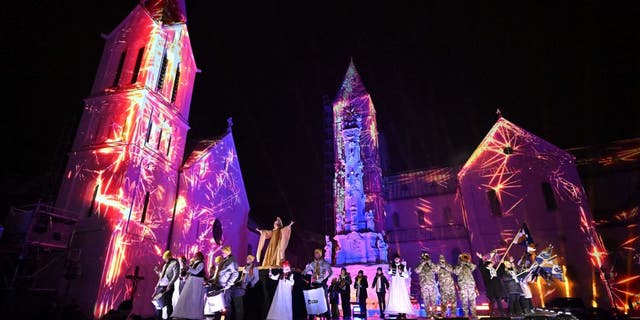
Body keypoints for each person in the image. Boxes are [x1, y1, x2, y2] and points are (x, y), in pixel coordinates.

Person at [172, 251, 207, 319]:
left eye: (196, 255)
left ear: (200, 256)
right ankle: (188, 313)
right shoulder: (195, 263)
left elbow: (196, 271)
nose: (195, 256)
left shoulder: (201, 263)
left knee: (195, 297)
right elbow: (190, 271)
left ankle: (194, 313)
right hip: (193, 281)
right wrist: (186, 269)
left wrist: (188, 268)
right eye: (195, 255)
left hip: (197, 282)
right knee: (190, 297)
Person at [303, 248, 333, 319]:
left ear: (320, 254)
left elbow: (330, 272)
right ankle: (311, 316)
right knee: (313, 300)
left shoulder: (325, 263)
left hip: (322, 284)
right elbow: (305, 271)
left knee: (324, 300)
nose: (316, 254)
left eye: (317, 253)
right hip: (314, 284)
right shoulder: (312, 264)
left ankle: (328, 316)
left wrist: (325, 279)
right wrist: (302, 274)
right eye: (315, 253)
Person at [151, 250, 179, 320]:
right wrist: (157, 284)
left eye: (165, 258)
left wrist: (170, 285)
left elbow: (176, 275)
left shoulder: (175, 263)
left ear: (169, 257)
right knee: (157, 302)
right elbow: (162, 276)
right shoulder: (165, 264)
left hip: (168, 285)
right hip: (161, 285)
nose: (165, 260)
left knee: (168, 303)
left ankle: (169, 317)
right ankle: (158, 317)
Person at [476, 250, 505, 316]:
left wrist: (502, 264)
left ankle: (502, 313)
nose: (493, 263)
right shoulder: (485, 270)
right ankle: (491, 313)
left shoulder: (495, 268)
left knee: (499, 300)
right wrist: (480, 258)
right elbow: (481, 267)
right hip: (490, 287)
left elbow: (501, 273)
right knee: (492, 301)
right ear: (488, 264)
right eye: (491, 262)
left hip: (497, 286)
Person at [386, 253, 412, 319]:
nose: (396, 259)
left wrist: (402, 272)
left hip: (401, 283)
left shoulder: (402, 266)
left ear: (399, 259)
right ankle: (398, 312)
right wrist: (390, 268)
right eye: (395, 259)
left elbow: (407, 276)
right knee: (396, 297)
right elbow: (389, 273)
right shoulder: (392, 265)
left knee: (402, 297)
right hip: (395, 283)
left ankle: (403, 313)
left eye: (397, 258)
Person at [217, 246, 240, 319]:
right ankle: (221, 318)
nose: (222, 253)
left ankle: (227, 318)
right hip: (221, 285)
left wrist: (228, 284)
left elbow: (235, 273)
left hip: (226, 286)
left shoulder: (232, 261)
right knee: (221, 304)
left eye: (223, 252)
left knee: (227, 304)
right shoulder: (225, 260)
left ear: (227, 252)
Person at [453, 252, 478, 318]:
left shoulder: (468, 265)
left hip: (471, 286)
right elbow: (456, 272)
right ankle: (466, 315)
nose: (463, 259)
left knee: (473, 301)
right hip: (462, 287)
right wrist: (461, 264)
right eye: (462, 258)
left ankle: (474, 314)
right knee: (464, 301)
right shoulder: (457, 266)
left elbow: (474, 267)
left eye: (464, 257)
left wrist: (467, 262)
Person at [415, 251, 438, 318]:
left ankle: (434, 314)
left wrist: (429, 262)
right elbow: (417, 270)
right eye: (423, 257)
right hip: (424, 286)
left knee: (433, 300)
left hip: (432, 285)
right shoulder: (419, 265)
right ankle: (428, 314)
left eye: (426, 257)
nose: (424, 258)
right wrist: (423, 263)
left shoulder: (431, 265)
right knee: (426, 300)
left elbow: (436, 270)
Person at [239, 254, 260, 320]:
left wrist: (251, 284)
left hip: (250, 288)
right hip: (243, 286)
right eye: (247, 258)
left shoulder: (254, 268)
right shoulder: (245, 267)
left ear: (251, 260)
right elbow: (243, 276)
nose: (247, 260)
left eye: (248, 259)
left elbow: (257, 278)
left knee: (248, 304)